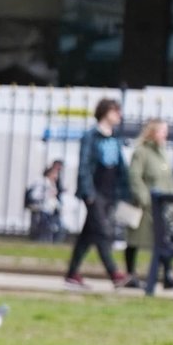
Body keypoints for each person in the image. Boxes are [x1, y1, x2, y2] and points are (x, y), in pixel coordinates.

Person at [65, 96, 129, 288]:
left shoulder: (115, 137)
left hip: (110, 192)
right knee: (102, 232)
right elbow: (84, 165)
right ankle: (114, 273)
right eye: (115, 111)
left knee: (88, 234)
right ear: (105, 113)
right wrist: (87, 191)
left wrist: (125, 190)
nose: (119, 115)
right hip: (94, 191)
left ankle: (72, 273)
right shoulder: (91, 136)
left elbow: (120, 166)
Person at [127, 117, 171, 285]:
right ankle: (131, 274)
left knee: (163, 241)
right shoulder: (142, 152)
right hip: (144, 206)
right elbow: (134, 176)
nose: (165, 135)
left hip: (161, 206)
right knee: (135, 242)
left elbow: (168, 180)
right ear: (153, 132)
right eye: (162, 131)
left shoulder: (163, 153)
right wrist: (145, 198)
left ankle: (167, 275)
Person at [25, 160, 64, 243]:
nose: (56, 176)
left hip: (51, 209)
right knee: (45, 228)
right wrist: (47, 195)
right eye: (54, 174)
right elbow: (35, 195)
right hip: (43, 209)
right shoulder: (42, 182)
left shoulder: (52, 184)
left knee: (58, 228)